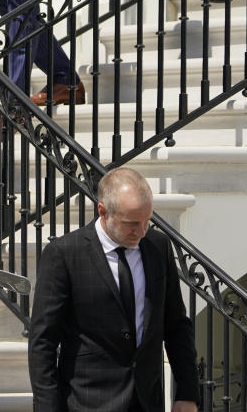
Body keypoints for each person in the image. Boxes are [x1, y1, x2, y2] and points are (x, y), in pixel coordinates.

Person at [29, 167, 200, 412]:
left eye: (146, 221)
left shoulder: (158, 246)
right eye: (132, 224)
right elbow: (42, 342)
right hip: (87, 402)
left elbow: (176, 325)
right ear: (103, 211)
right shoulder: (64, 255)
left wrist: (187, 392)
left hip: (146, 402)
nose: (141, 232)